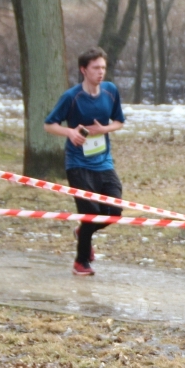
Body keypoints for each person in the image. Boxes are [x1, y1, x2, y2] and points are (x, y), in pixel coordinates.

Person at [44, 47, 126, 276]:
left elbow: (119, 121)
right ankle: (81, 262)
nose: (101, 72)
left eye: (103, 68)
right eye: (95, 68)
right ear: (83, 70)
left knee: (114, 212)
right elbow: (49, 125)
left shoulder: (110, 91)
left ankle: (83, 232)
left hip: (104, 163)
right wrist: (70, 132)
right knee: (90, 212)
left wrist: (104, 129)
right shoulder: (71, 97)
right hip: (78, 164)